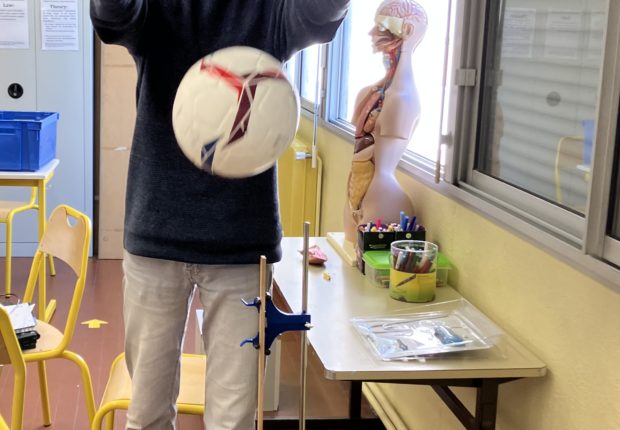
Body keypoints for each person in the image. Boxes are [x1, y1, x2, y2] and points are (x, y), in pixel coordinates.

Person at [91, 1, 349, 429]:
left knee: (233, 420)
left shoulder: (269, 12)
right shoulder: (156, 10)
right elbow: (114, 17)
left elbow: (319, 18)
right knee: (148, 412)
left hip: (243, 247)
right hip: (157, 238)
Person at [343, 0, 427, 242]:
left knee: (366, 265)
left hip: (383, 195)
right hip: (356, 186)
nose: (372, 33)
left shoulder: (403, 99)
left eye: (382, 26)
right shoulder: (370, 92)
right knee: (350, 257)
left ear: (407, 31)